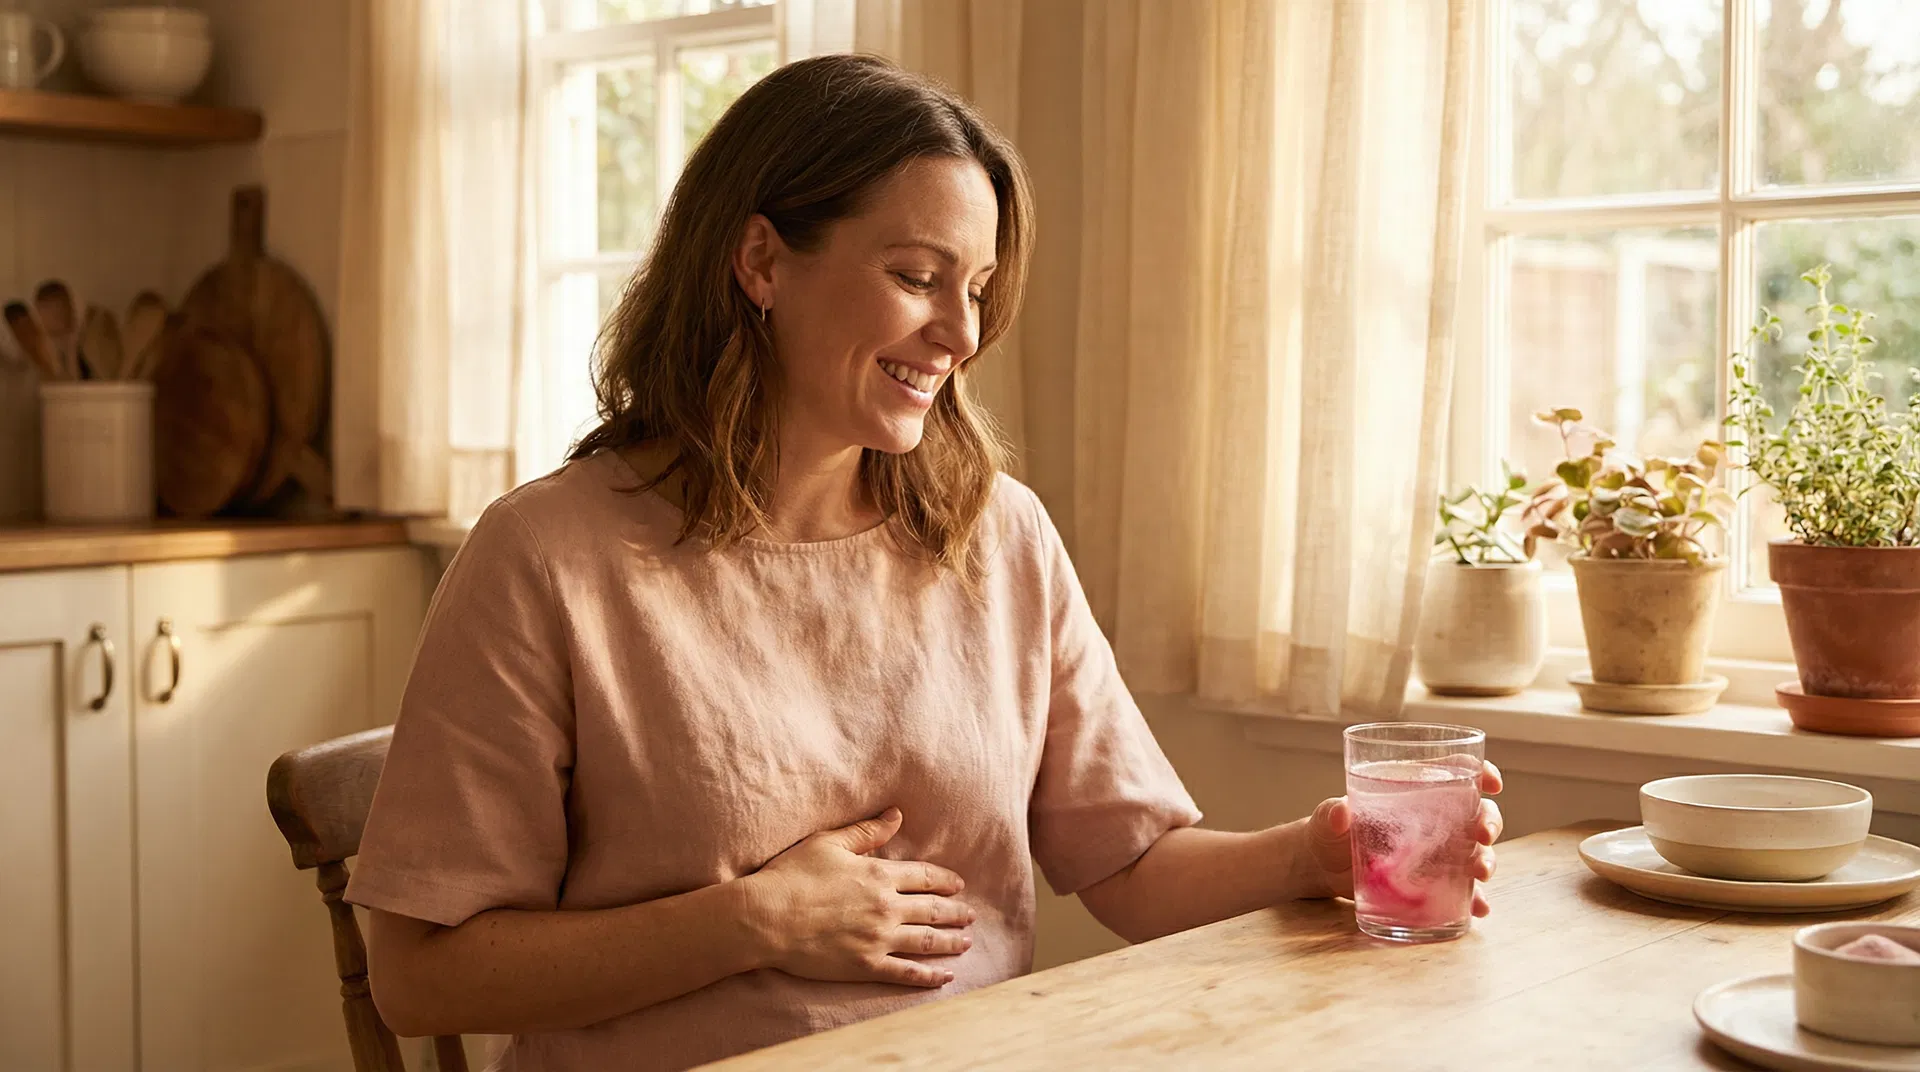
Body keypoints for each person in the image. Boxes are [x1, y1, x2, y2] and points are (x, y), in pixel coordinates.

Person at [346, 53, 1504, 1072]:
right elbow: (422, 977)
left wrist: (1309, 854)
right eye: (917, 275)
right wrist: (751, 921)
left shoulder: (999, 536)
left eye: (979, 288)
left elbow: (1132, 860)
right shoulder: (550, 556)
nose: (961, 335)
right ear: (760, 259)